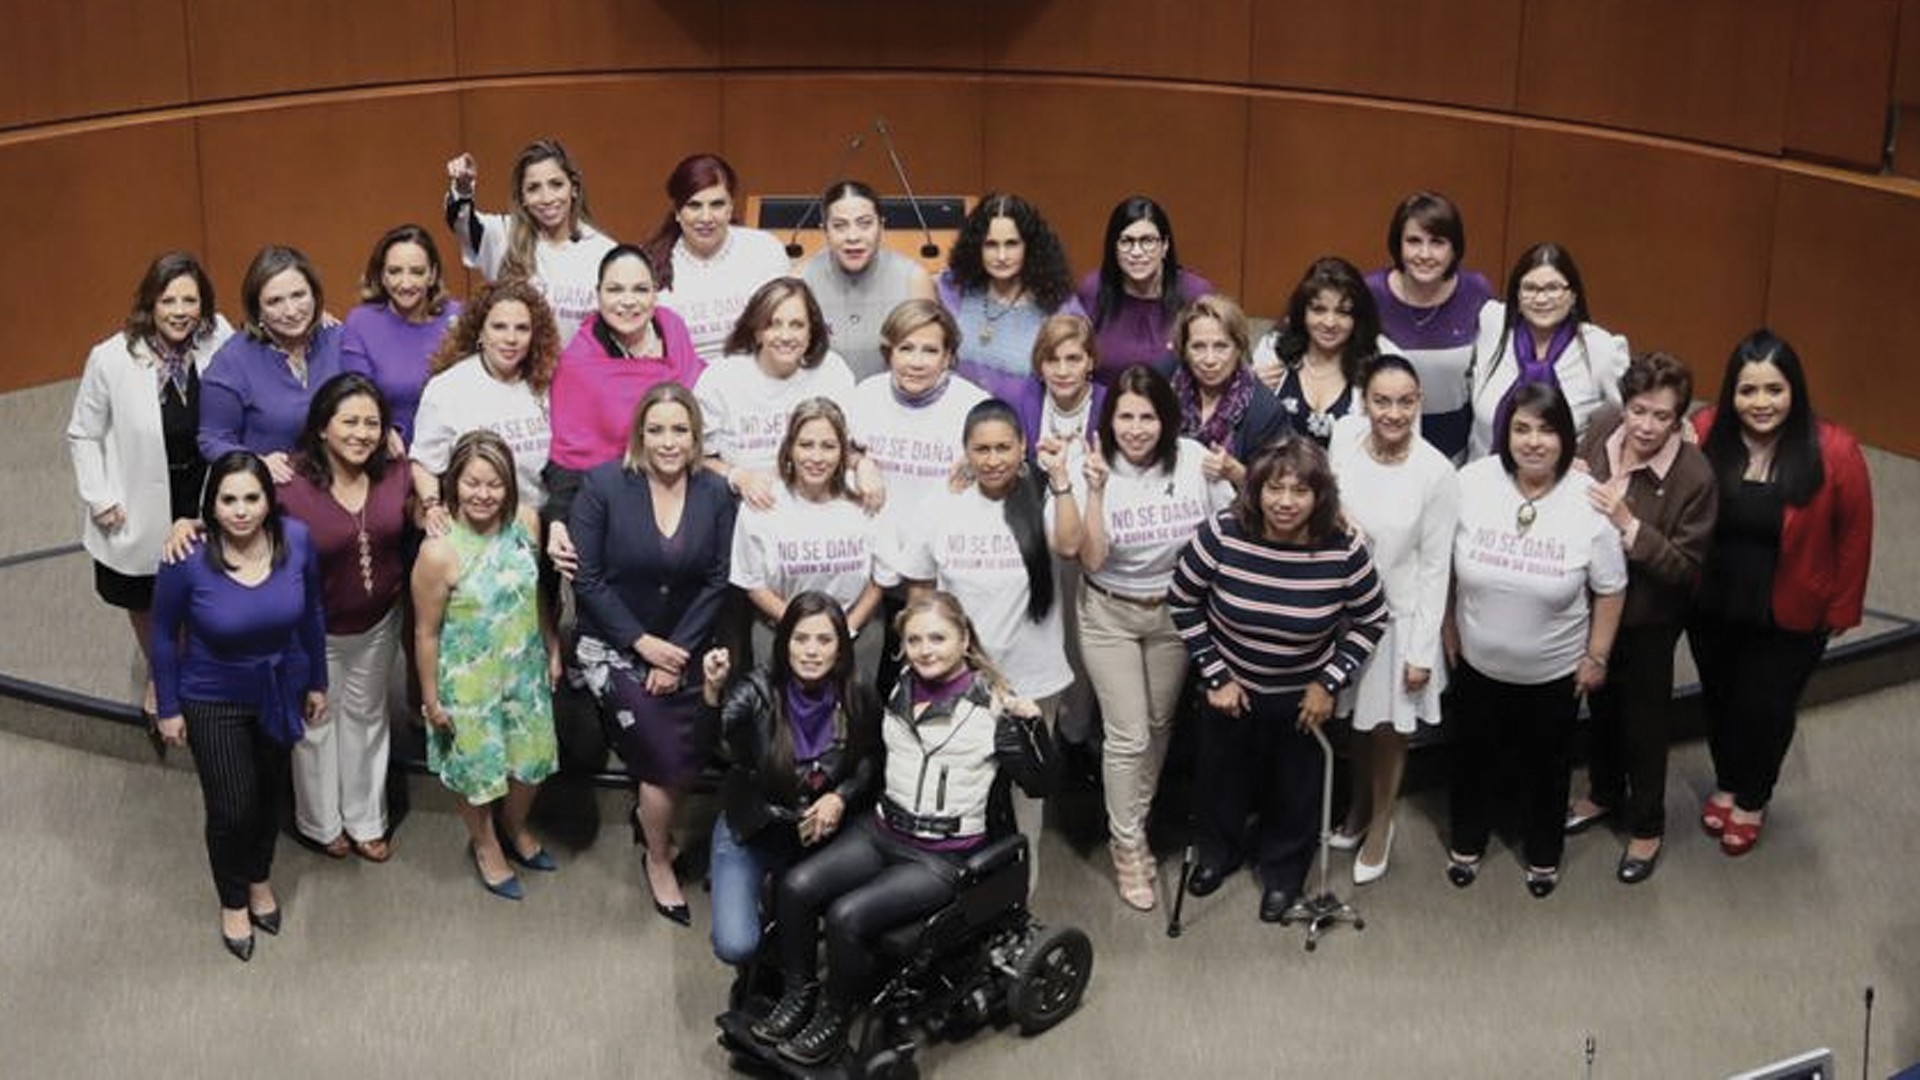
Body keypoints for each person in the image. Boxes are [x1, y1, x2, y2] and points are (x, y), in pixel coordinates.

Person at [752, 591, 1055, 1066]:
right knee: (796, 886)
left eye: (938, 638)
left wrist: (1033, 728)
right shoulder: (898, 686)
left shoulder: (995, 705)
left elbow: (1041, 783)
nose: (925, 649)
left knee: (846, 916)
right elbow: (869, 755)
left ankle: (833, 1019)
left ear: (964, 640)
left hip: (942, 855)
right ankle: (799, 996)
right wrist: (835, 795)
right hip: (882, 831)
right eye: (914, 639)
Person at [1167, 439, 1387, 921]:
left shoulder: (1343, 546)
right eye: (1274, 488)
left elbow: (1373, 618)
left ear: (1319, 497)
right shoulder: (1223, 532)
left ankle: (1284, 875)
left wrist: (1328, 682)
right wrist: (1216, 674)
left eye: (1300, 491)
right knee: (1220, 780)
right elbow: (1182, 599)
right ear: (1256, 489)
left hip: (1302, 696)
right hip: (1231, 689)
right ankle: (1217, 855)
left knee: (1296, 789)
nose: (1285, 502)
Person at [1689, 330, 1872, 856]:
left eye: (1775, 389)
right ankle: (1726, 780)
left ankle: (1752, 794)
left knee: (1766, 707)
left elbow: (1855, 534)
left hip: (1792, 608)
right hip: (1714, 600)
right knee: (1720, 697)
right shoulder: (1705, 431)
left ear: (1795, 391)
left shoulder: (1834, 449)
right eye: (1749, 391)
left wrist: (1842, 608)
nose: (1761, 403)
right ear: (1731, 393)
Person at [1059, 364, 1233, 910]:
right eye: (1125, 417)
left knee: (1159, 728)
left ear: (1166, 419)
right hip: (1109, 612)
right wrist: (1092, 491)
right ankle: (1128, 845)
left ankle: (1133, 817)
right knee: (1128, 735)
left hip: (1175, 616)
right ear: (1109, 421)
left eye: (1148, 417)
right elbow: (1088, 557)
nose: (1136, 429)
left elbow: (1235, 522)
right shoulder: (1089, 462)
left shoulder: (1190, 460)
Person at [1444, 383, 1627, 897]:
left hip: (1554, 673)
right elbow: (1443, 564)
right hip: (1477, 663)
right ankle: (1467, 843)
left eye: (1546, 429)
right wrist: (1447, 626)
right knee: (1471, 760)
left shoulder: (1587, 501)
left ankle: (1543, 855)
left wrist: (1597, 655)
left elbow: (1611, 588)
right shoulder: (1473, 482)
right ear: (1505, 433)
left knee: (1547, 769)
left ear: (1566, 436)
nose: (1533, 442)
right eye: (1521, 428)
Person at [150, 451, 328, 961]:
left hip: (278, 688)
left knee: (269, 795)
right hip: (212, 697)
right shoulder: (186, 557)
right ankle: (232, 899)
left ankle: (258, 877)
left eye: (252, 497)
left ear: (269, 500)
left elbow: (313, 612)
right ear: (211, 504)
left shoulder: (295, 541)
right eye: (228, 499)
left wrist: (317, 679)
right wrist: (168, 707)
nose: (241, 510)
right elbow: (163, 636)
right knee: (231, 807)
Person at [570, 383, 737, 925]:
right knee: (665, 759)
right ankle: (659, 857)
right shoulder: (603, 486)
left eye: (680, 430)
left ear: (696, 437)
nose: (669, 441)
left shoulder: (715, 494)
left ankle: (653, 821)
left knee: (691, 747)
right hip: (615, 647)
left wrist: (678, 653)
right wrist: (642, 647)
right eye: (657, 429)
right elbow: (588, 581)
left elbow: (717, 579)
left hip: (688, 644)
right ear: (640, 432)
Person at [891, 399, 1075, 875]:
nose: (992, 459)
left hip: (1032, 681)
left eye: (1003, 448)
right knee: (961, 794)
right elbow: (920, 589)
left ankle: (1022, 893)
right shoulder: (941, 504)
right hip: (959, 682)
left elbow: (1073, 545)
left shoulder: (1045, 498)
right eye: (982, 449)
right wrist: (925, 656)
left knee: (1024, 799)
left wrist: (1062, 480)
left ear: (1022, 448)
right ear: (965, 452)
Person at [1561, 353, 1717, 882]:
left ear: (1679, 421)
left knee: (1644, 723)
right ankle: (1603, 793)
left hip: (1648, 618)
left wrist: (1628, 524)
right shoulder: (1603, 426)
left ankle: (1647, 826)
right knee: (1600, 706)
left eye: (1662, 417)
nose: (1646, 426)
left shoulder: (1694, 476)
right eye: (1639, 411)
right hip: (1588, 605)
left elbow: (1684, 566)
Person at [68, 252, 232, 723]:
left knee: (207, 585)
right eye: (168, 300)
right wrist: (100, 497)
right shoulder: (111, 357)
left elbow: (261, 345)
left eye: (190, 300)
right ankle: (163, 674)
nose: (180, 311)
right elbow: (83, 432)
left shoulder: (218, 336)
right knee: (146, 595)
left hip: (201, 487)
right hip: (136, 498)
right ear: (149, 303)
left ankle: (203, 664)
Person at [1325, 356, 1460, 885]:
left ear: (1420, 401)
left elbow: (1435, 568)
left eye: (1405, 401)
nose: (1393, 412)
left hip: (1398, 622)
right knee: (1355, 723)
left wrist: (1422, 652)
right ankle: (1358, 809)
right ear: (1364, 401)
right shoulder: (1344, 438)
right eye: (1382, 400)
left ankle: (1382, 823)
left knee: (1387, 731)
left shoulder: (1435, 472)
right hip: (1342, 613)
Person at [412, 431, 561, 900]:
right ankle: (485, 842)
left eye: (494, 484)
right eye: (472, 483)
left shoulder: (527, 523)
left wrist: (552, 644)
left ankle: (514, 824)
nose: (483, 495)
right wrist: (431, 698)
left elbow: (536, 591)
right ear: (454, 483)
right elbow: (425, 632)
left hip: (525, 671)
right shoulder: (439, 551)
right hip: (468, 681)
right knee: (476, 772)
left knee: (531, 764)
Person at [704, 591, 881, 968]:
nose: (812, 651)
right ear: (784, 643)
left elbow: (871, 758)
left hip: (819, 836)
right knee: (736, 946)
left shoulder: (858, 689)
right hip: (753, 828)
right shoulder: (757, 689)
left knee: (848, 927)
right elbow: (712, 748)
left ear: (840, 647)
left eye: (824, 640)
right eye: (800, 639)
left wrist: (842, 797)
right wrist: (712, 692)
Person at [277, 375, 413, 862]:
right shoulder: (287, 483)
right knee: (316, 721)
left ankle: (366, 820)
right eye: (349, 421)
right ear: (321, 428)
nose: (361, 433)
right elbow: (234, 518)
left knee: (368, 717)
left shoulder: (396, 473)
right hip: (312, 631)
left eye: (372, 423)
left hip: (378, 625)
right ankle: (320, 822)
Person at [844, 300, 990, 694]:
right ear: (888, 351)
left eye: (930, 350)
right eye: (906, 348)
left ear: (949, 357)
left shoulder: (972, 406)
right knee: (872, 688)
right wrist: (858, 461)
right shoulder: (866, 394)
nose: (917, 361)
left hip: (939, 579)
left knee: (938, 686)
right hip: (874, 574)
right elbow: (834, 451)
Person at [545, 243, 703, 558]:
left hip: (684, 495)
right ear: (598, 293)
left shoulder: (672, 327)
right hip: (613, 508)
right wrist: (558, 520)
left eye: (640, 289)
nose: (628, 301)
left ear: (655, 293)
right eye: (615, 290)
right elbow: (570, 452)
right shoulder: (579, 362)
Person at [728, 398, 886, 677]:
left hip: (856, 632)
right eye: (806, 445)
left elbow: (881, 578)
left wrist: (844, 630)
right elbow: (752, 583)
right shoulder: (762, 503)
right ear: (789, 448)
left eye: (828, 446)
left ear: (843, 453)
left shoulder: (866, 497)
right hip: (780, 630)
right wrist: (802, 630)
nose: (816, 457)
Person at [200, 245, 363, 483]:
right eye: (275, 301)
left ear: (315, 295)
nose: (291, 311)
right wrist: (256, 462)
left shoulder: (338, 338)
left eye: (299, 295)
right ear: (257, 310)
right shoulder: (232, 360)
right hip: (274, 495)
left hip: (342, 488)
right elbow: (212, 440)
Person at [695, 277, 857, 511]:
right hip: (740, 509)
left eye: (797, 325)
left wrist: (864, 466)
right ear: (757, 331)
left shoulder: (833, 372)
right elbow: (694, 456)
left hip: (816, 507)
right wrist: (739, 476)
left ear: (812, 330)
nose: (785, 336)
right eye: (773, 324)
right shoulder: (720, 377)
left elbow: (848, 449)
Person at [412, 280, 561, 530]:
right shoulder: (447, 388)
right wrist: (431, 505)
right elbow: (424, 462)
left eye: (522, 328)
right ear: (480, 331)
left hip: (540, 523)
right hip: (478, 527)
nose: (511, 338)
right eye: (499, 327)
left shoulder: (549, 381)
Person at [1366, 191, 1497, 461]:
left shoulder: (1476, 291)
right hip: (1383, 447)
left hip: (1455, 451)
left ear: (1454, 249)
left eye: (1437, 242)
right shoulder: (1370, 292)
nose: (1424, 254)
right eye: (1414, 241)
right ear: (1397, 245)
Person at [1467, 242, 1628, 460]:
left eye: (1553, 288)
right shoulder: (1493, 324)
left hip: (1559, 483)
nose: (1541, 299)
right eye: (1530, 288)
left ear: (1573, 296)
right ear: (1517, 295)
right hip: (1483, 479)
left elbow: (1631, 416)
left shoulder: (1600, 349)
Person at [444, 138, 614, 343]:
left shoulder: (604, 252)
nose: (547, 198)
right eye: (533, 188)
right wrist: (463, 188)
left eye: (556, 184)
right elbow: (461, 221)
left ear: (574, 188)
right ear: (522, 197)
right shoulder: (505, 236)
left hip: (582, 373)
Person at [643, 152, 792, 363]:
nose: (706, 217)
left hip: (757, 380)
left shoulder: (764, 250)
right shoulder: (647, 264)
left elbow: (791, 326)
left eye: (717, 204)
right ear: (677, 211)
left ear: (731, 207)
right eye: (694, 205)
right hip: (683, 387)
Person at [936, 193, 1086, 402]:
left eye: (1012, 244)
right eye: (991, 244)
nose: (1001, 256)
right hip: (956, 422)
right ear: (976, 247)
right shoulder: (953, 289)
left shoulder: (1058, 306)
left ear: (1029, 247)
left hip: (1022, 428)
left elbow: (1076, 377)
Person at [798, 179, 936, 381]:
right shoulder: (800, 281)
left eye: (865, 224)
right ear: (824, 231)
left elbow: (929, 357)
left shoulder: (914, 279)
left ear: (882, 226)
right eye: (839, 226)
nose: (853, 236)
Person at [339, 224, 462, 446]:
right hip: (388, 453)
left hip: (454, 450)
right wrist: (383, 432)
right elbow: (357, 398)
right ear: (382, 276)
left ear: (433, 275)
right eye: (395, 272)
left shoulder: (457, 317)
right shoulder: (361, 322)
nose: (405, 284)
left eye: (417, 272)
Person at [1252, 256, 1393, 447]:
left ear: (1358, 317)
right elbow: (1247, 433)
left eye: (1343, 312)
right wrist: (1252, 392)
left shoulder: (1384, 361)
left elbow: (1400, 445)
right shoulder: (1273, 349)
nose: (1329, 323)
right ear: (1303, 312)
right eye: (1319, 310)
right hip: (1275, 474)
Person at [1075, 195, 1214, 387]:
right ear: (1114, 248)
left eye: (1147, 241)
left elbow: (1218, 359)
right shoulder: (1092, 289)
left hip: (1175, 410)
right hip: (1105, 409)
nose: (1137, 252)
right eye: (1126, 241)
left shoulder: (1196, 293)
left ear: (1165, 246)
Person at [1161, 294, 1288, 488]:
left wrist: (1237, 474)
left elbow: (1279, 489)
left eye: (1221, 346)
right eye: (1198, 347)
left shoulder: (1265, 411)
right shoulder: (1162, 382)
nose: (1210, 360)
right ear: (1184, 351)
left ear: (1239, 348)